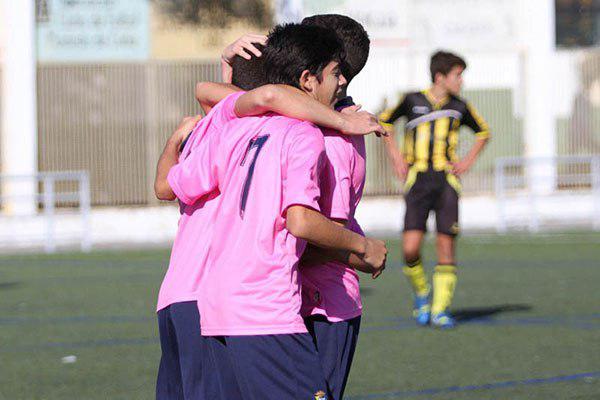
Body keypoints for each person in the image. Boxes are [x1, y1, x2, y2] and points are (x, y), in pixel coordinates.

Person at [154, 23, 387, 399]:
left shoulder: (230, 127)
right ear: (309, 78)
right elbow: (307, 225)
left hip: (216, 304)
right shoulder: (314, 135)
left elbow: (169, 182)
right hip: (294, 306)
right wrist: (362, 249)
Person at [381, 50, 490, 329]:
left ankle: (441, 309)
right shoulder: (411, 100)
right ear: (441, 77)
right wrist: (395, 155)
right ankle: (422, 294)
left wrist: (466, 162)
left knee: (445, 246)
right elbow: (384, 123)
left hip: (446, 183)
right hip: (418, 181)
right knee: (409, 250)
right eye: (458, 75)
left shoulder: (460, 106)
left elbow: (483, 133)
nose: (462, 81)